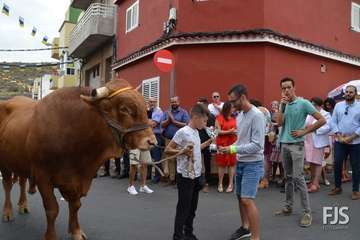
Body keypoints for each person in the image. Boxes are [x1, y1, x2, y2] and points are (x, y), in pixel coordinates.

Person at [275, 77, 325, 227]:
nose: (286, 90)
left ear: (294, 88)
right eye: (283, 88)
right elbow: (279, 123)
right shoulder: (283, 105)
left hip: (297, 145)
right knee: (288, 178)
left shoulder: (303, 103)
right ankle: (288, 207)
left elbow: (322, 120)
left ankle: (306, 212)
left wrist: (305, 131)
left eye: (289, 87)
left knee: (298, 178)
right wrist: (281, 107)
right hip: (284, 144)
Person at [219, 84, 265, 240]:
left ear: (243, 97)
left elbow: (257, 145)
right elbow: (241, 140)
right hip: (241, 162)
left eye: (233, 101)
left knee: (246, 199)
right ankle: (246, 228)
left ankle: (256, 237)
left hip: (253, 163)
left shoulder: (257, 115)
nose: (231, 105)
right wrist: (229, 147)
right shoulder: (240, 116)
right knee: (240, 196)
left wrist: (232, 150)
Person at [165, 104, 212, 240]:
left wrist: (209, 142)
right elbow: (168, 149)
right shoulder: (182, 132)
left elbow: (197, 148)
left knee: (192, 209)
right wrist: (182, 151)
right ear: (196, 117)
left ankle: (189, 233)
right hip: (185, 176)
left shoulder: (196, 132)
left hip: (195, 175)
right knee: (183, 208)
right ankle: (178, 236)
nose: (205, 124)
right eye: (204, 121)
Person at [329, 85, 360, 200]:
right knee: (337, 163)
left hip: (356, 142)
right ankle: (338, 187)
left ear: (355, 94)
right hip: (340, 141)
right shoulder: (338, 105)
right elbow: (333, 122)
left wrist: (352, 137)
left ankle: (356, 190)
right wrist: (338, 134)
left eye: (351, 92)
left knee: (356, 166)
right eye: (346, 92)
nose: (348, 94)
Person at [304, 97, 331, 193]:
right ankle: (312, 181)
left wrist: (315, 129)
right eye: (312, 104)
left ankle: (316, 184)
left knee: (318, 162)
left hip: (318, 140)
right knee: (311, 161)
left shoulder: (326, 114)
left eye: (315, 105)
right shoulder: (310, 114)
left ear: (321, 105)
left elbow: (328, 127)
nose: (313, 106)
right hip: (308, 140)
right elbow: (305, 124)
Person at [161, 96, 190, 185]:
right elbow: (162, 124)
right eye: (172, 102)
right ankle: (172, 179)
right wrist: (169, 120)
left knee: (180, 158)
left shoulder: (183, 112)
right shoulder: (167, 112)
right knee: (170, 159)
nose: (174, 104)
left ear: (179, 102)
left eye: (175, 102)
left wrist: (173, 121)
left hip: (180, 141)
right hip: (168, 139)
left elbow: (186, 124)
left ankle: (179, 180)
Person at [215, 101, 237, 193]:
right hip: (222, 143)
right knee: (222, 164)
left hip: (232, 143)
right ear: (227, 108)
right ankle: (220, 183)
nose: (234, 109)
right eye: (232, 108)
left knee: (232, 164)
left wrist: (234, 132)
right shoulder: (219, 118)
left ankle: (230, 183)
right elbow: (217, 132)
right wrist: (230, 131)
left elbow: (236, 130)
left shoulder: (233, 119)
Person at [197, 97, 216, 193]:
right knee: (198, 162)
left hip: (208, 142)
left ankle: (207, 183)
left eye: (200, 104)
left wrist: (204, 126)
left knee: (207, 163)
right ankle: (199, 182)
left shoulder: (211, 116)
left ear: (205, 105)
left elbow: (212, 130)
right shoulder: (197, 115)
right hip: (198, 141)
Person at [147, 97, 164, 183]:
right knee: (148, 157)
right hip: (147, 136)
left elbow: (153, 124)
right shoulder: (148, 111)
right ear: (148, 102)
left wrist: (145, 121)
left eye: (153, 102)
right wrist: (148, 121)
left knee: (157, 157)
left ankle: (157, 177)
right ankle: (148, 175)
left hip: (156, 136)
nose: (152, 103)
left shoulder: (158, 111)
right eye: (150, 102)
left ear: (156, 102)